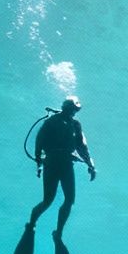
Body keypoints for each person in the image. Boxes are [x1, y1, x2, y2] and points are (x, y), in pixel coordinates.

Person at [28, 96, 96, 237]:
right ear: (65, 108)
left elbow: (82, 146)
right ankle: (32, 222)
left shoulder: (75, 125)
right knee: (48, 200)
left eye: (75, 111)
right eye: (71, 110)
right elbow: (39, 143)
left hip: (66, 165)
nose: (72, 113)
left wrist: (90, 164)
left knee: (69, 200)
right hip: (51, 164)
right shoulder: (50, 122)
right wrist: (39, 163)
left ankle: (58, 232)